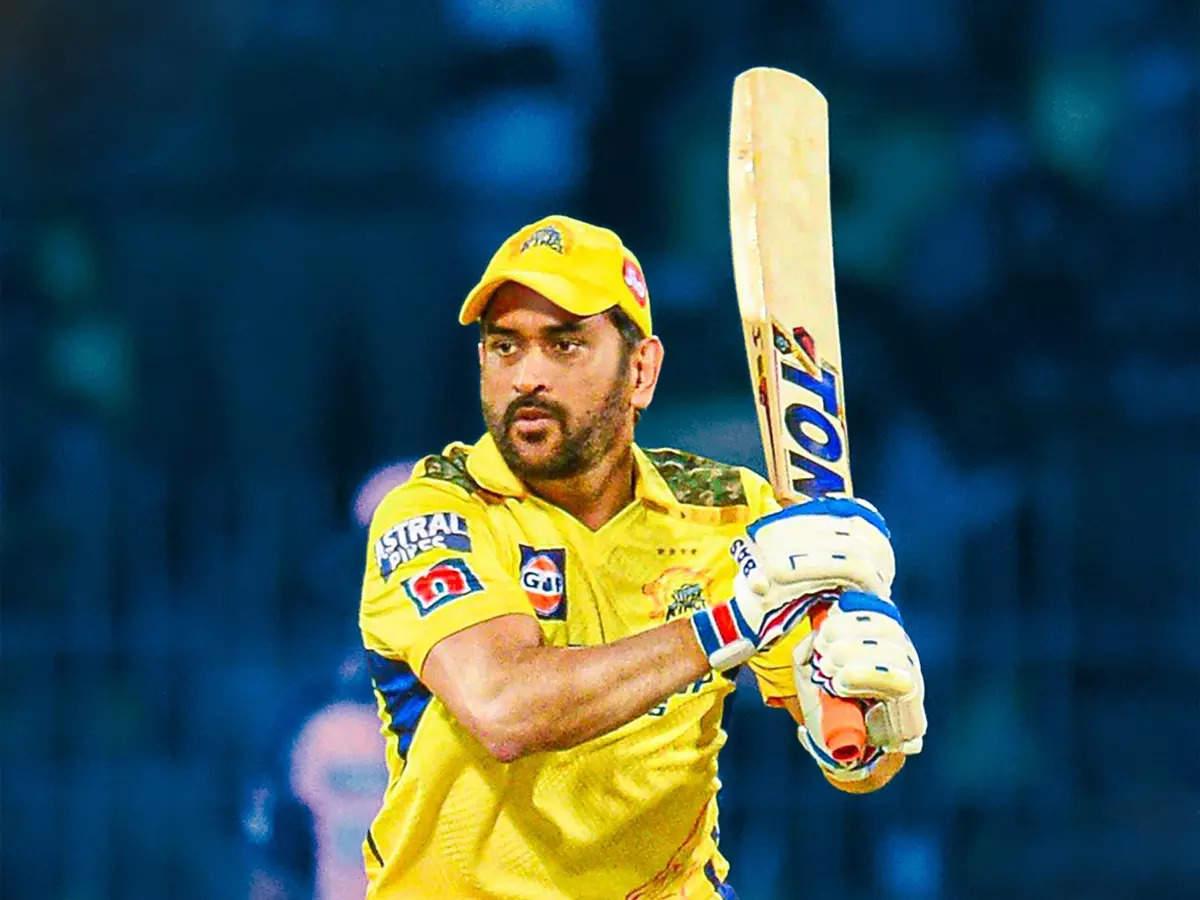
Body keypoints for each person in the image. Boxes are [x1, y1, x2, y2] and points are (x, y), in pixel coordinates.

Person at [358, 216, 927, 898]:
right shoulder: (434, 511)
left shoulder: (729, 512)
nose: (527, 376)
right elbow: (504, 707)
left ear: (641, 370)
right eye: (505, 346)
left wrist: (869, 719)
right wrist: (731, 625)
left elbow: (852, 756)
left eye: (565, 345)